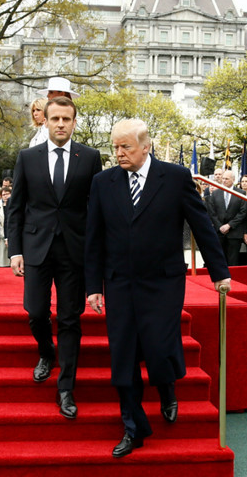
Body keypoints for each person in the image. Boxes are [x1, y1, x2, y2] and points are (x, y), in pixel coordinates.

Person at [84, 119, 231, 459]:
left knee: (160, 348)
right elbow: (94, 238)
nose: (119, 153)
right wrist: (94, 286)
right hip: (119, 282)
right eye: (115, 147)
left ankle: (167, 388)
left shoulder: (175, 177)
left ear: (145, 146)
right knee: (123, 357)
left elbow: (202, 225)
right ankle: (133, 428)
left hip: (163, 283)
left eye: (126, 147)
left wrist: (219, 271)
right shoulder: (103, 182)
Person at [6, 96, 102, 421]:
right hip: (35, 248)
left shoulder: (89, 158)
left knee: (71, 318)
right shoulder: (27, 158)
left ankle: (66, 388)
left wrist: (96, 252)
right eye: (55, 118)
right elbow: (16, 207)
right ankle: (46, 352)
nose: (60, 124)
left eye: (66, 119)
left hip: (74, 250)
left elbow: (96, 208)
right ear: (44, 121)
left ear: (74, 122)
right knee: (35, 312)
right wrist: (15, 249)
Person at [206, 170, 247, 266]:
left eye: (227, 179)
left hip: (234, 233)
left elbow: (243, 212)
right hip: (219, 233)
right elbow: (212, 212)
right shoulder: (216, 193)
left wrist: (229, 225)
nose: (224, 180)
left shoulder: (241, 193)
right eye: (223, 178)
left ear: (233, 180)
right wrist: (220, 226)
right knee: (219, 260)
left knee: (233, 261)